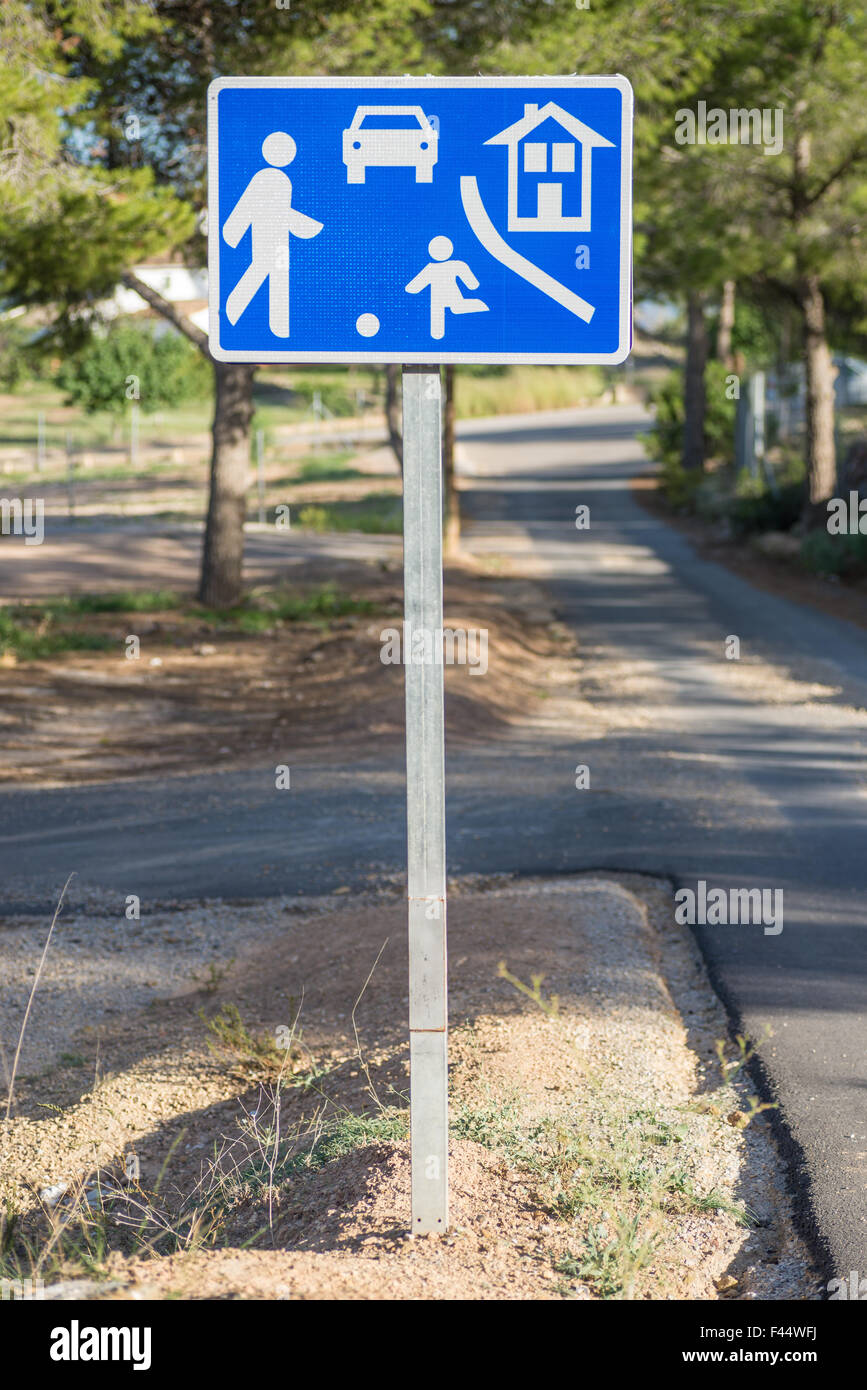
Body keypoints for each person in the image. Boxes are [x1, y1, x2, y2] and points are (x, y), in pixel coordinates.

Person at [223, 131, 323, 338]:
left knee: (278, 276)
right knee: (262, 270)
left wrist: (303, 224)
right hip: (266, 236)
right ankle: (235, 311)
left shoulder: (282, 180)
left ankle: (279, 327)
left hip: (280, 240)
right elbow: (247, 206)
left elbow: (280, 211)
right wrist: (233, 231)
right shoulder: (266, 178)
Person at [405, 236, 488, 340]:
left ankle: (437, 335)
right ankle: (438, 334)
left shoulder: (431, 269)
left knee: (442, 316)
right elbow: (473, 285)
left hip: (439, 300)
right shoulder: (457, 265)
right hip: (450, 298)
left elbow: (412, 288)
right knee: (454, 309)